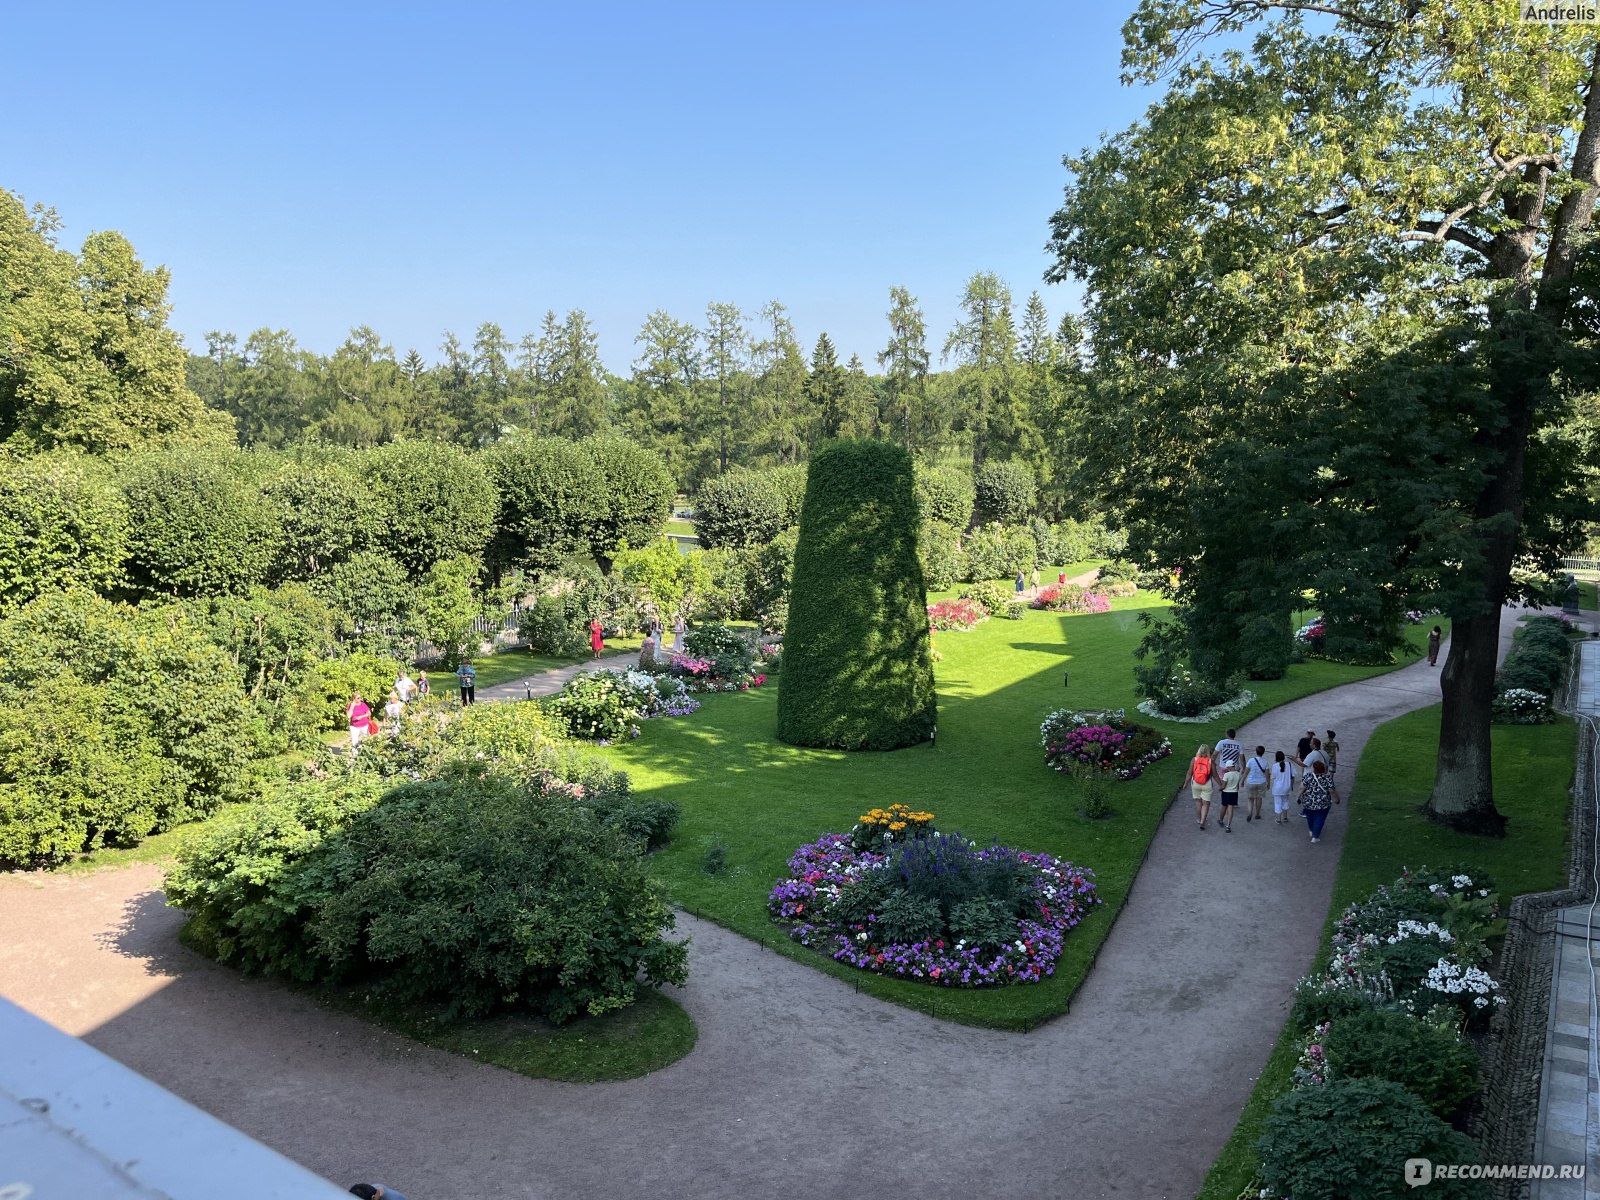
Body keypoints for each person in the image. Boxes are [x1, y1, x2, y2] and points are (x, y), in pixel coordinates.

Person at [1298, 759, 1340, 843]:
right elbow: (1332, 790)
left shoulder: (1308, 776)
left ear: (1314, 769)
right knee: (1320, 818)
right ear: (1323, 769)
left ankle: (1311, 830)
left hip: (1308, 802)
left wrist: (1298, 797)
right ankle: (1315, 836)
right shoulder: (1327, 778)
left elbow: (1301, 788)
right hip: (1323, 803)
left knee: (1310, 817)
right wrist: (1336, 799)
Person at [1188, 743, 1217, 830]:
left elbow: (1189, 773)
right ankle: (1203, 821)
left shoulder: (1194, 759)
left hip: (1196, 783)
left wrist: (1185, 783)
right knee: (1206, 804)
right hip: (1207, 784)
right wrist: (1221, 784)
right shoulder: (1210, 761)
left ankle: (1199, 818)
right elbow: (1215, 775)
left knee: (1198, 802)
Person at [1243, 744, 1270, 823]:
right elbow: (1267, 774)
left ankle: (1250, 812)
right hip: (1261, 782)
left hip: (1251, 782)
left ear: (1256, 752)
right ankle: (1257, 814)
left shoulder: (1251, 760)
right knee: (1259, 798)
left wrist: (1242, 781)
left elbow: (1246, 772)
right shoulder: (1265, 762)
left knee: (1250, 799)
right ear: (1263, 753)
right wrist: (1268, 784)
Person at [1270, 750, 1297, 824]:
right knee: (1285, 801)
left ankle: (1278, 819)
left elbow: (1273, 777)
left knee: (1278, 803)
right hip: (1287, 787)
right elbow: (1293, 776)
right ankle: (1285, 817)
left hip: (1277, 788)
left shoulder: (1274, 766)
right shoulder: (1289, 764)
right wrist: (1291, 785)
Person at [1218, 760, 1241, 832]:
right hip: (1234, 793)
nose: (1227, 769)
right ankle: (1228, 826)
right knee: (1230, 808)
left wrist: (1220, 789)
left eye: (1227, 768)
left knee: (1224, 806)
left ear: (1229, 767)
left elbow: (1224, 786)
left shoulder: (1226, 775)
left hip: (1226, 793)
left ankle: (1221, 820)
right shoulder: (1238, 774)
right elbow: (1237, 785)